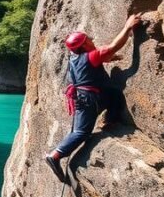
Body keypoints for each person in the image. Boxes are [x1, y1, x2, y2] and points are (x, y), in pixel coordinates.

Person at [44, 13, 142, 183]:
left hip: (85, 96)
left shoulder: (75, 59)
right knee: (81, 132)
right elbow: (111, 47)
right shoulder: (90, 56)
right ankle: (55, 155)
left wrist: (110, 58)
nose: (91, 40)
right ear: (84, 44)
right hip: (90, 98)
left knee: (115, 95)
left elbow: (101, 58)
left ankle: (109, 121)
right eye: (88, 39)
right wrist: (127, 27)